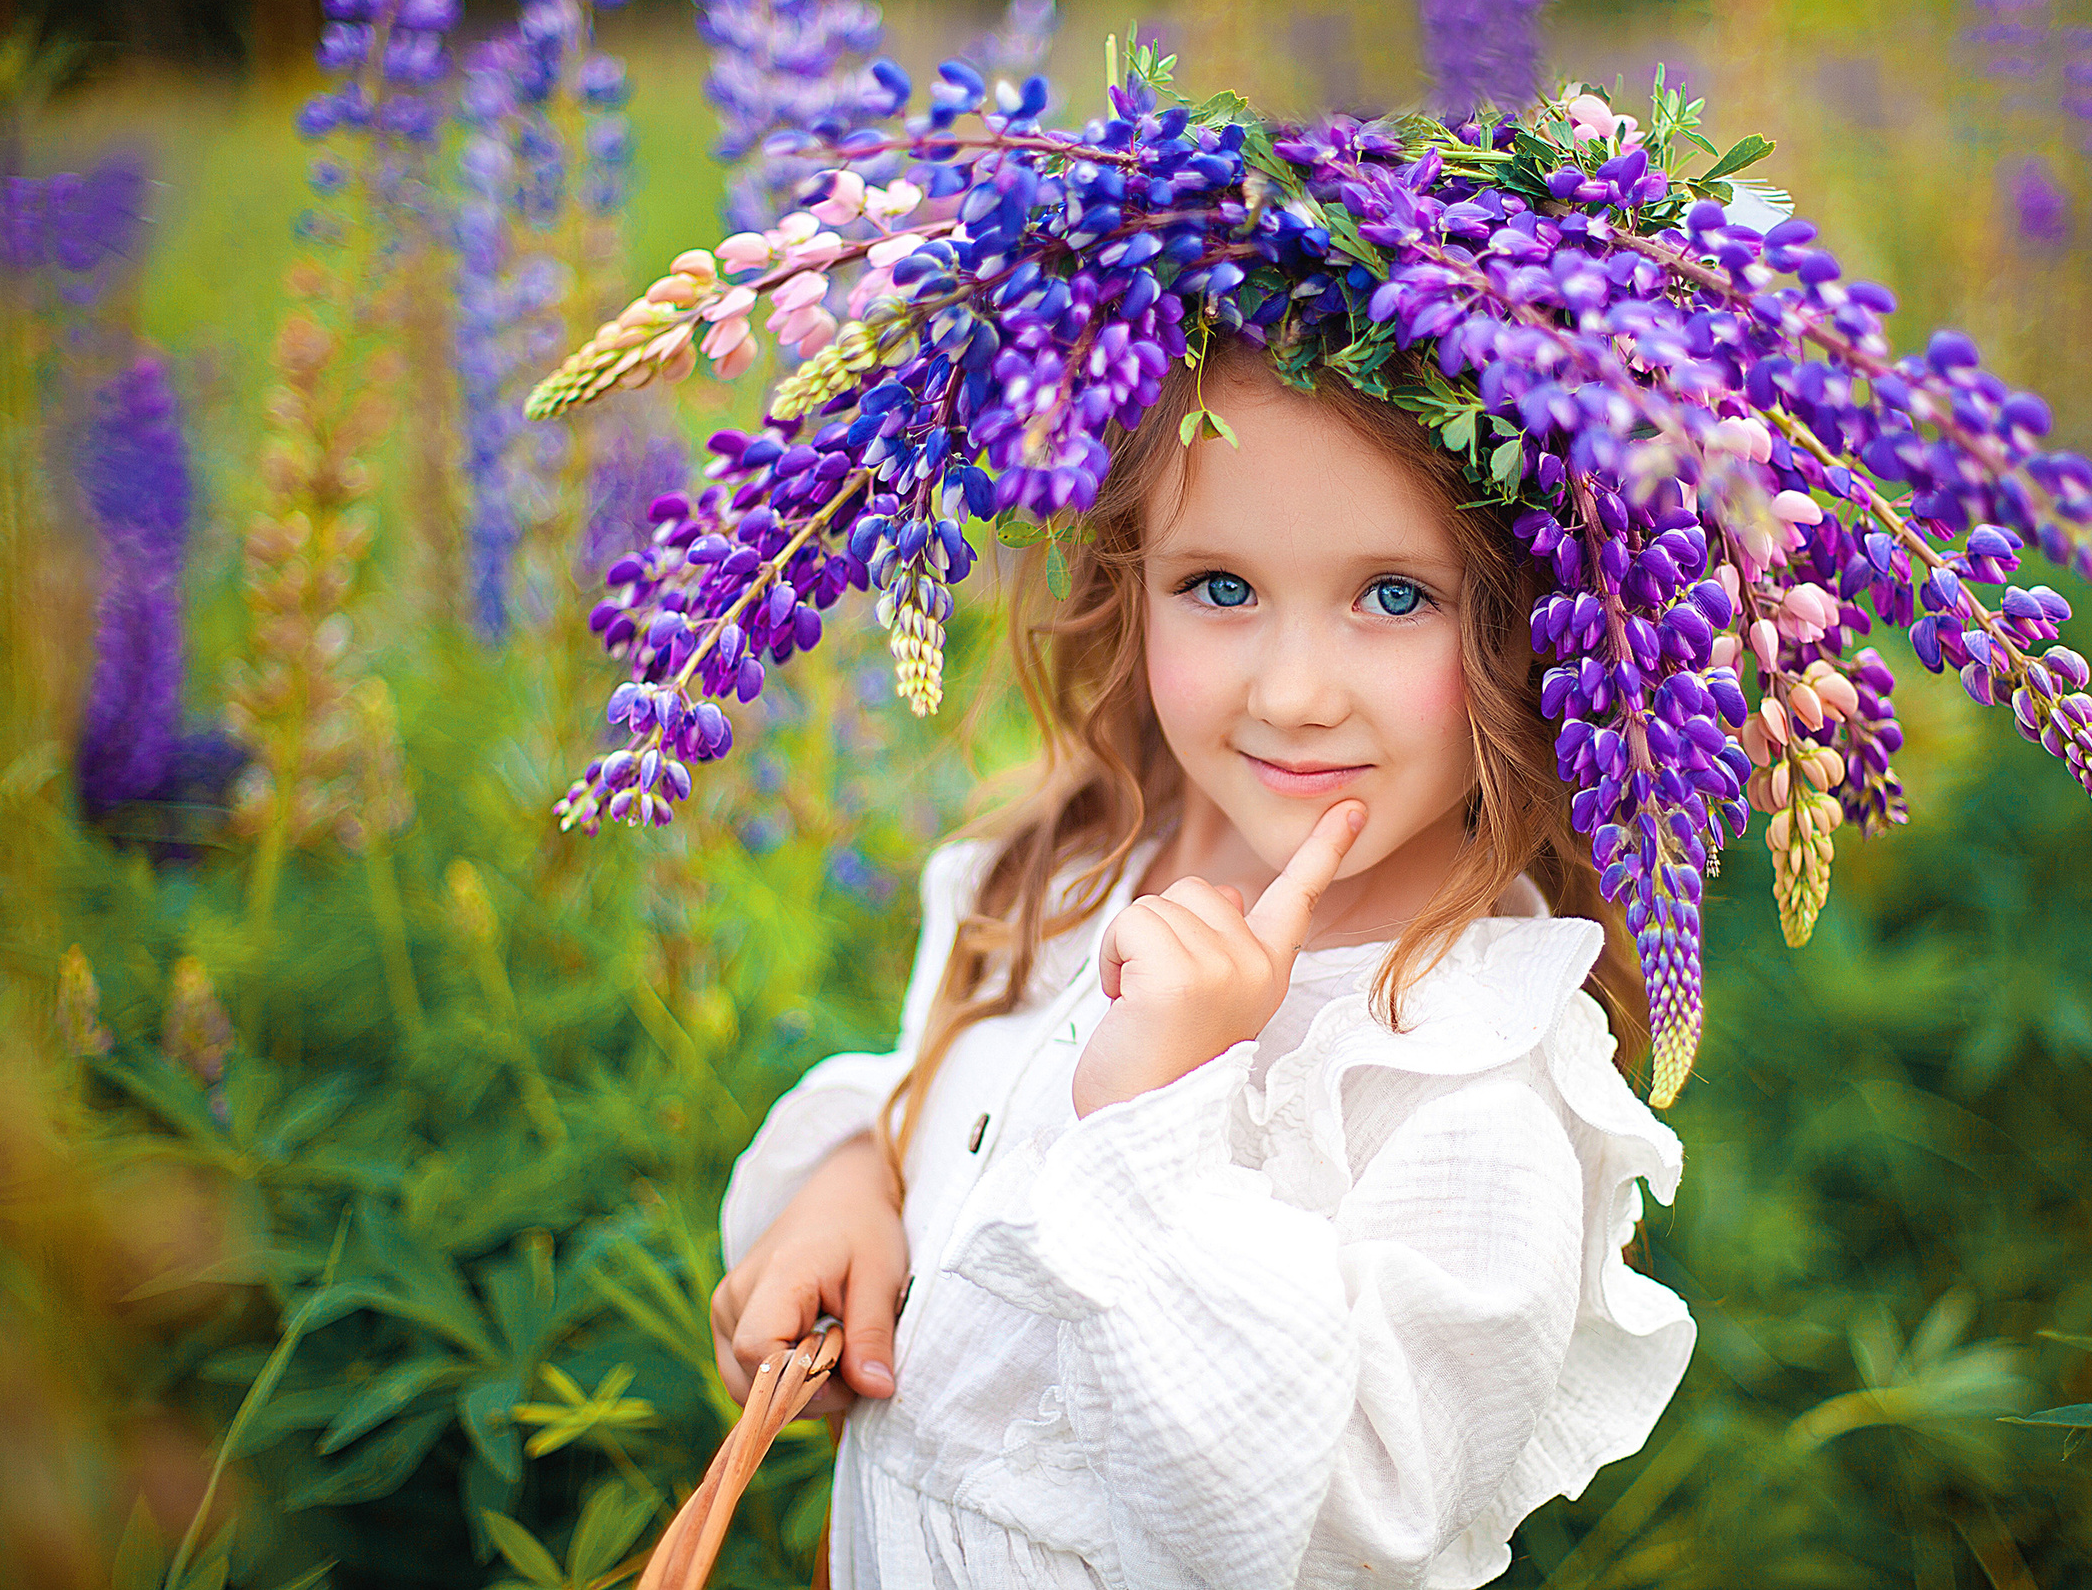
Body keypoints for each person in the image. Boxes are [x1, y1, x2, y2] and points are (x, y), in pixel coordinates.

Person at [710, 339, 1696, 1589]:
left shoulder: (1466, 1082)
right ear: (1128, 579)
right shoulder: (1067, 867)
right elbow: (955, 1092)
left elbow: (1332, 1533)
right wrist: (853, 1183)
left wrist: (1153, 1115)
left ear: (1543, 628)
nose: (1289, 694)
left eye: (1395, 595)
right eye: (1218, 585)